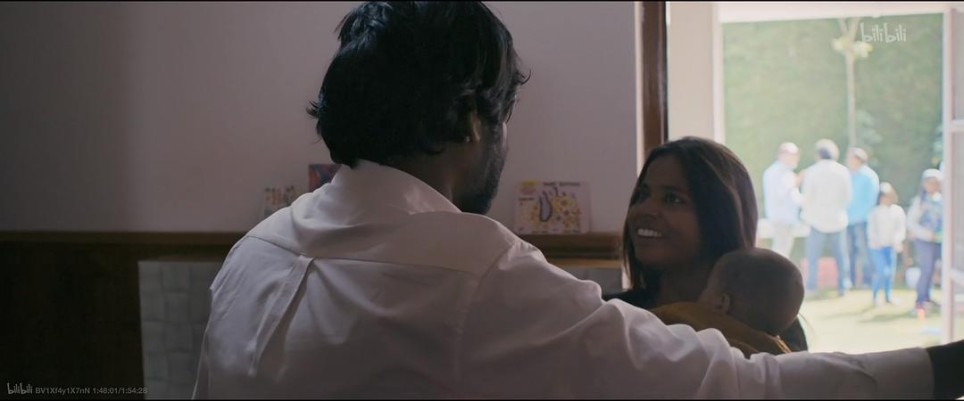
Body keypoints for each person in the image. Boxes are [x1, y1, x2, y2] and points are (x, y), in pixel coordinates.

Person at [194, 2, 964, 398]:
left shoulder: (254, 252)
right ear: (473, 119)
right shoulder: (467, 270)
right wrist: (941, 369)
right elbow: (737, 388)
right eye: (504, 116)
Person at [603, 136, 808, 352]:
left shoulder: (776, 331)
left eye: (672, 199)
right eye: (642, 195)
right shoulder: (609, 317)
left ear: (720, 217)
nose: (644, 210)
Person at [651, 247, 804, 358]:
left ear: (721, 303)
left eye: (707, 287)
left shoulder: (690, 317)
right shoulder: (780, 355)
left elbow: (646, 325)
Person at [800, 139, 853, 295]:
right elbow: (848, 196)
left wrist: (807, 213)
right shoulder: (843, 171)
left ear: (818, 155)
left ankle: (812, 287)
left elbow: (807, 197)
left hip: (816, 220)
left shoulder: (812, 171)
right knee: (841, 256)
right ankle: (843, 286)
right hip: (838, 219)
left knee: (813, 257)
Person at [907, 168, 944, 313]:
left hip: (940, 240)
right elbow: (911, 222)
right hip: (925, 240)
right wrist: (928, 234)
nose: (932, 186)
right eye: (929, 183)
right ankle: (920, 300)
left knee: (936, 269)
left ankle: (928, 297)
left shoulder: (942, 200)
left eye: (935, 183)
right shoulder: (920, 202)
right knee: (926, 269)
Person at [845, 147, 880, 289]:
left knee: (865, 251)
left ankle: (868, 280)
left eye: (851, 159)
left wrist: (859, 215)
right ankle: (851, 280)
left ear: (859, 160)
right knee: (849, 252)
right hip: (847, 220)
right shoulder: (847, 175)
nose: (848, 161)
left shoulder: (869, 176)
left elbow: (871, 200)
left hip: (863, 220)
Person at [867, 182, 906, 306]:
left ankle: (888, 296)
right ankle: (875, 296)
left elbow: (900, 228)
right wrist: (876, 241)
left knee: (890, 273)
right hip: (877, 247)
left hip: (891, 246)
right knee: (882, 271)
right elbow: (871, 230)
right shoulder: (875, 212)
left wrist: (897, 240)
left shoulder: (897, 211)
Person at [762, 142, 803, 258]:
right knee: (780, 250)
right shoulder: (774, 172)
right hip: (780, 218)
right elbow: (780, 194)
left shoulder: (787, 173)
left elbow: (795, 198)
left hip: (788, 218)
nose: (795, 158)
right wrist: (796, 183)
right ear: (782, 155)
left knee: (784, 249)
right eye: (793, 155)